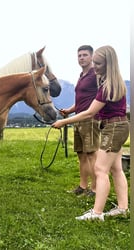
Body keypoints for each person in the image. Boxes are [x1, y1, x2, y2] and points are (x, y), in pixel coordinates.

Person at [52, 45, 129, 221]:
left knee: (100, 169)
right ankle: (123, 208)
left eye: (98, 63)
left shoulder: (106, 86)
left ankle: (97, 213)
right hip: (119, 125)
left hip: (113, 128)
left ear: (107, 64)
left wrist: (63, 121)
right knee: (116, 169)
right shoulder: (114, 82)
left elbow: (89, 112)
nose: (96, 66)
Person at [59, 45, 100, 197]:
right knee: (81, 154)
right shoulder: (81, 76)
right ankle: (82, 187)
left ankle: (95, 189)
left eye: (85, 55)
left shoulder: (95, 74)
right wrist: (69, 111)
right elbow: (81, 100)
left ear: (92, 57)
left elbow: (100, 97)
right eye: (79, 55)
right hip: (78, 119)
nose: (81, 58)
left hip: (90, 119)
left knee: (91, 154)